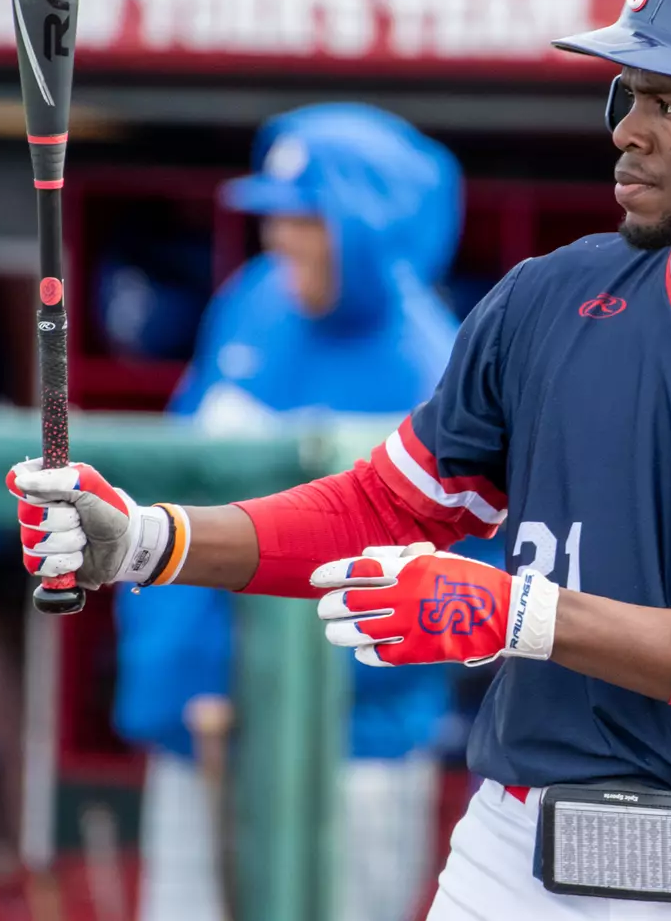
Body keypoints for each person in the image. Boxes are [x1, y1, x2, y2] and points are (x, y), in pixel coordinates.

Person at [10, 0, 671, 920]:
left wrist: (526, 613)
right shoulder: (551, 294)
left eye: (668, 99)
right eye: (629, 94)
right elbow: (387, 506)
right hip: (514, 857)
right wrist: (148, 538)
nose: (626, 130)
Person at [108, 103, 466, 921]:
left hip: (348, 752)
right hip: (202, 730)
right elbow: (184, 489)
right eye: (275, 218)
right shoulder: (255, 302)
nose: (282, 240)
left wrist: (267, 689)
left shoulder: (432, 362)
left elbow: (450, 587)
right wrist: (191, 683)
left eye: (306, 218)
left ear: (368, 227)